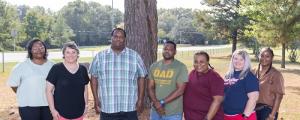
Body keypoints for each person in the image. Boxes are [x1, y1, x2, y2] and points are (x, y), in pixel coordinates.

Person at [89, 28, 147, 120]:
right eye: (115, 36)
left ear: (125, 39)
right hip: (108, 106)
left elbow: (142, 77)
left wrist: (140, 100)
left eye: (121, 37)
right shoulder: (100, 57)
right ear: (111, 38)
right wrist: (96, 99)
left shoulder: (134, 56)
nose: (118, 39)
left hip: (129, 106)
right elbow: (93, 78)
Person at [7, 39, 54, 120]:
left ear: (45, 49)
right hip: (28, 107)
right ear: (30, 50)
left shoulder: (53, 66)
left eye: (41, 47)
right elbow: (13, 85)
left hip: (49, 105)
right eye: (35, 48)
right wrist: (26, 95)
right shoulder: (21, 66)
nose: (39, 50)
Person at [46, 42, 89, 120]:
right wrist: (53, 110)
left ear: (77, 54)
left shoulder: (83, 69)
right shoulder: (56, 69)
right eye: (68, 52)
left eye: (73, 52)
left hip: (79, 112)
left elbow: (85, 89)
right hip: (61, 113)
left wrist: (86, 105)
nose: (71, 55)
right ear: (63, 54)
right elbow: (48, 91)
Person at [148, 40, 188, 120]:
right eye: (165, 49)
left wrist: (161, 103)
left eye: (170, 50)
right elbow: (150, 87)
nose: (167, 51)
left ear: (175, 52)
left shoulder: (181, 67)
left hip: (173, 112)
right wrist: (156, 103)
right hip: (155, 111)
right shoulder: (154, 66)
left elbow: (180, 90)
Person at [183, 51, 224, 120]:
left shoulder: (214, 77)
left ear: (208, 62)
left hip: (207, 117)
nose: (198, 64)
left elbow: (217, 101)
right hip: (191, 116)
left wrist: (207, 118)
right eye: (196, 62)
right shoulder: (192, 73)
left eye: (202, 62)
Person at [223, 49, 259, 120]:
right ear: (232, 59)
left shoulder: (249, 76)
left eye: (241, 59)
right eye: (235, 58)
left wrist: (245, 116)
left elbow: (253, 98)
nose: (237, 61)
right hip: (227, 115)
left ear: (246, 62)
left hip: (242, 116)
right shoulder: (228, 75)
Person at [254, 47, 284, 120]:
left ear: (272, 58)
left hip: (267, 110)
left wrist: (272, 115)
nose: (264, 58)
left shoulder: (276, 74)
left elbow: (279, 96)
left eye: (267, 56)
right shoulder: (252, 71)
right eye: (262, 55)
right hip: (252, 110)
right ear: (259, 56)